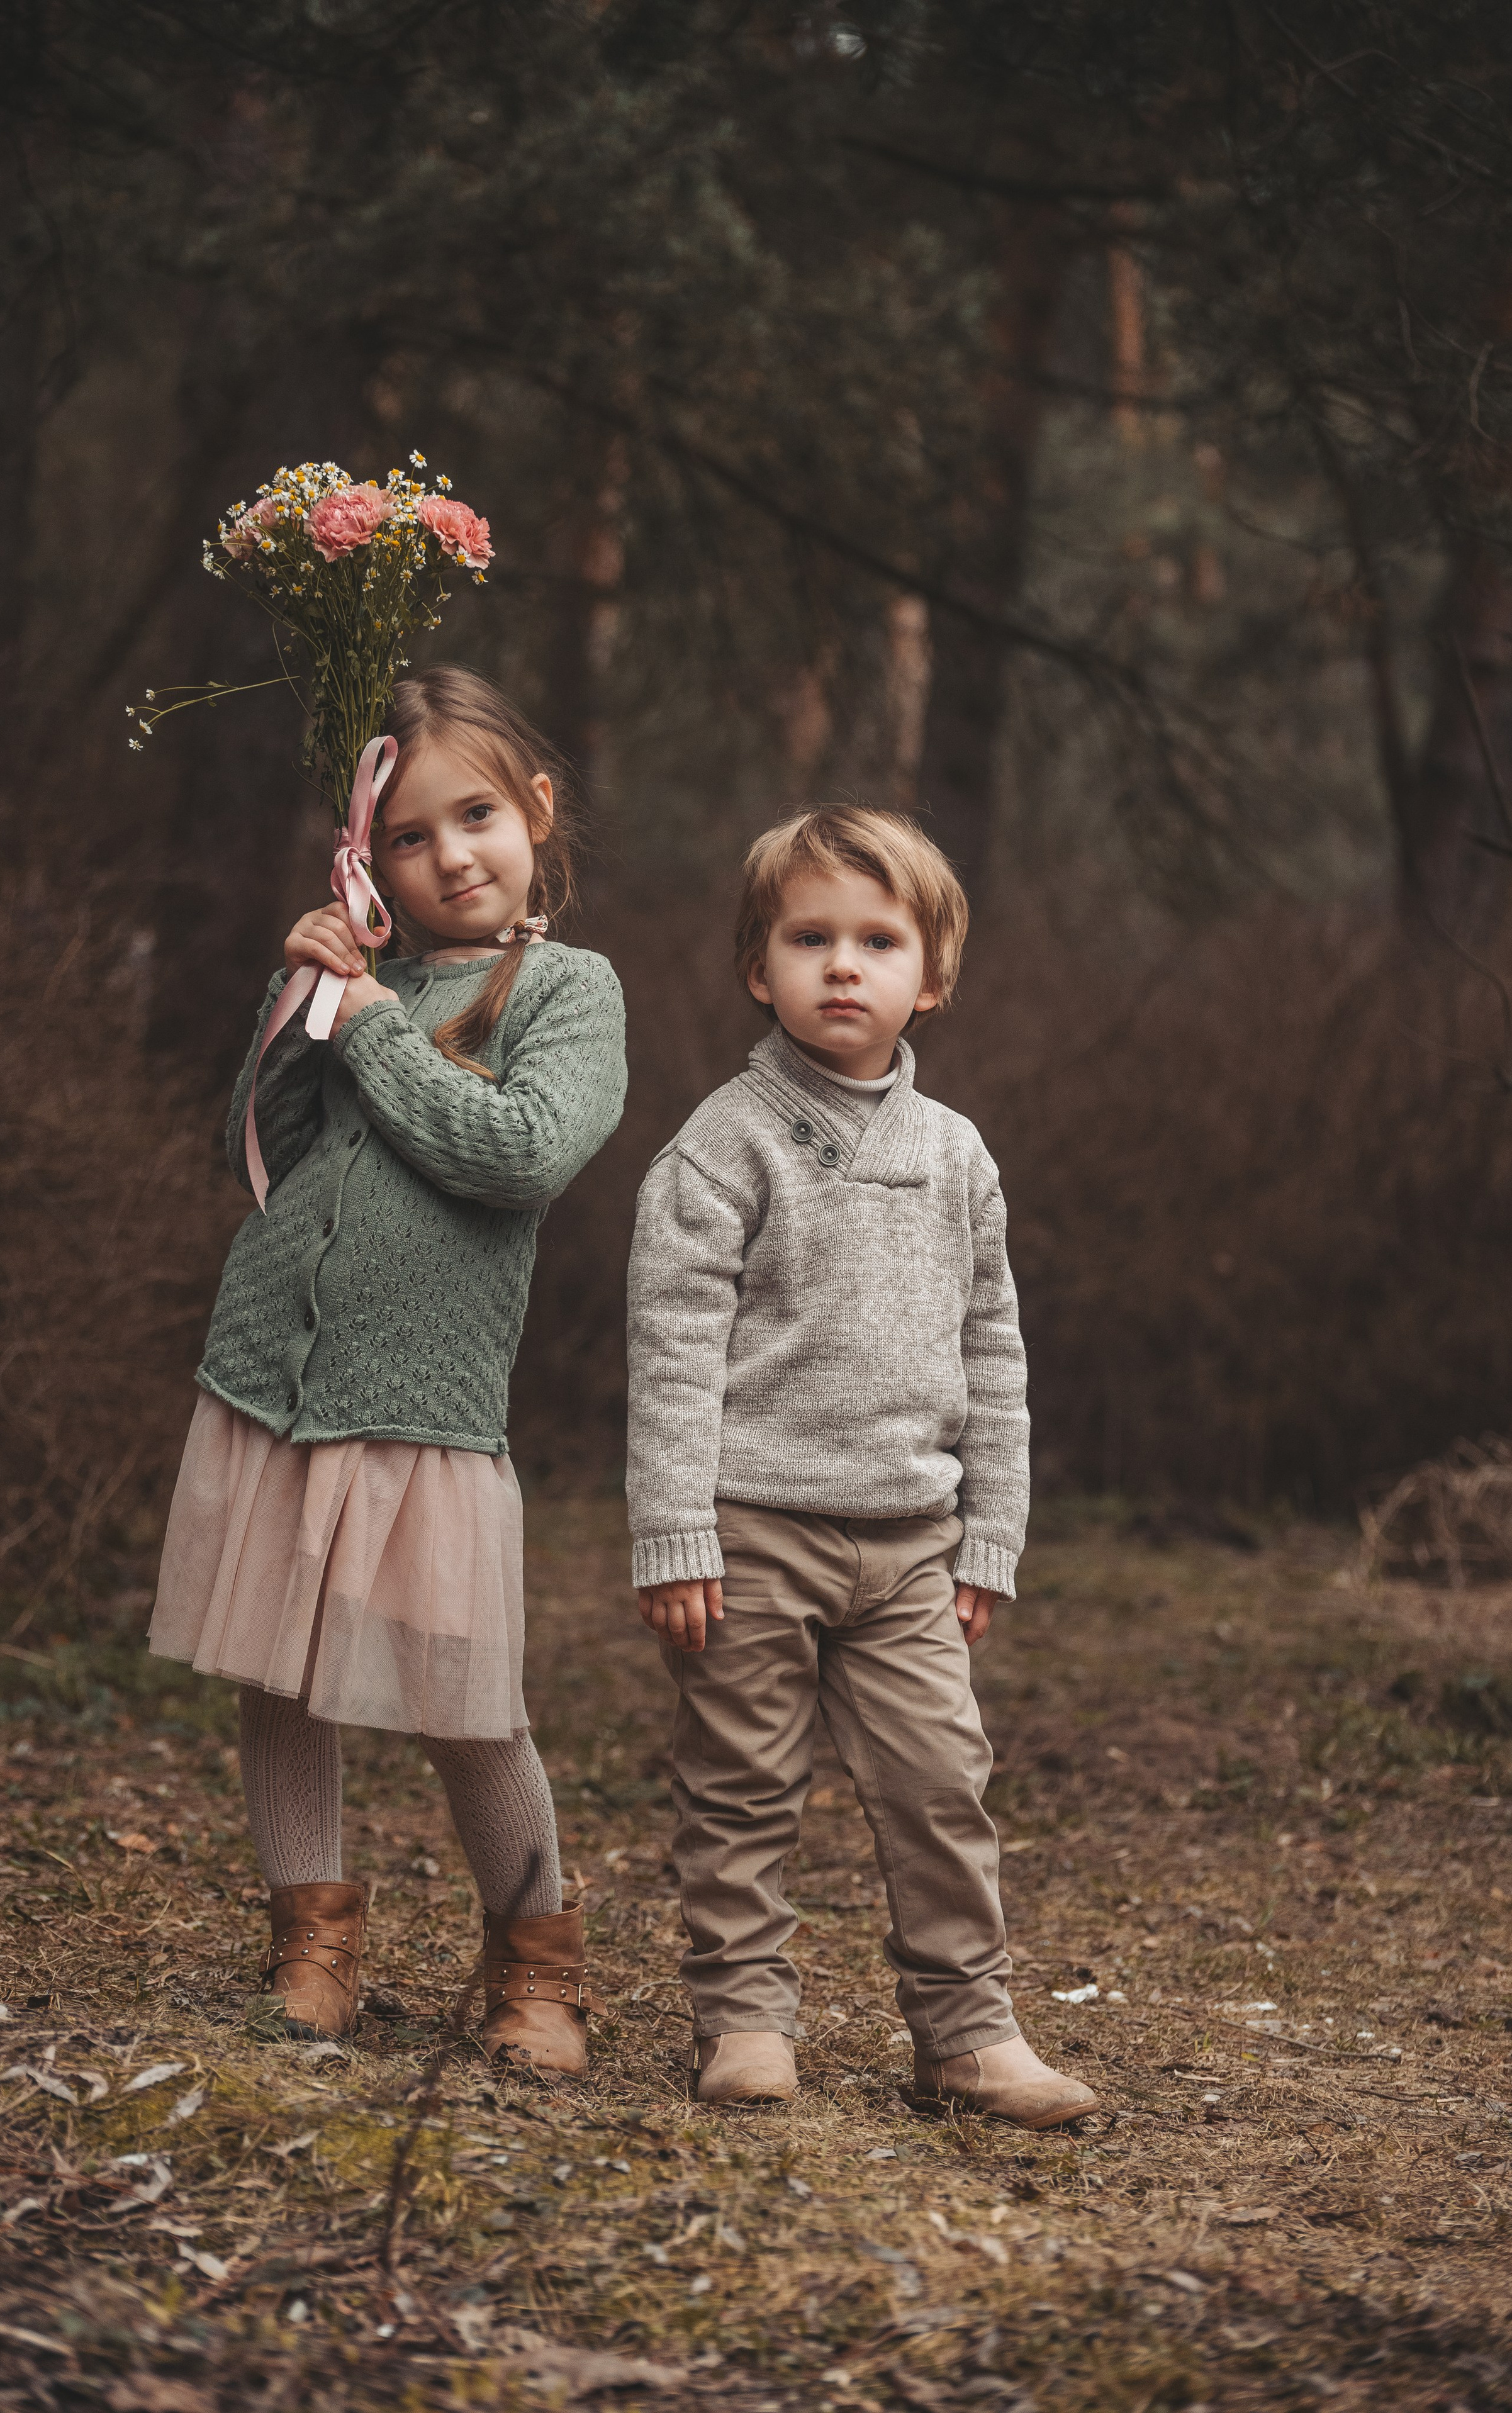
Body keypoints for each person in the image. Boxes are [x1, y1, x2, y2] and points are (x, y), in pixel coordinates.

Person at [150, 667, 626, 2069]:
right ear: (372, 859)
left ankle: (536, 1963)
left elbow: (522, 1152)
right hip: (270, 1379)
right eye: (407, 838)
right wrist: (302, 989)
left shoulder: (568, 989)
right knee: (279, 1679)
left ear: (535, 809)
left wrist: (367, 1026)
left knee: (466, 1702)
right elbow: (280, 1143)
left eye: (473, 814)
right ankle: (315, 1945)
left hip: (422, 1406)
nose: (448, 856)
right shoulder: (367, 978)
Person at [625, 805, 1097, 2126]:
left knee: (940, 1788)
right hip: (748, 1531)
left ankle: (964, 2033)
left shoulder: (955, 1156)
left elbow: (992, 1350)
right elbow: (669, 1349)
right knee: (739, 1790)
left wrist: (988, 1534)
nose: (843, 964)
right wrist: (674, 1532)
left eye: (877, 940)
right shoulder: (723, 1144)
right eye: (808, 937)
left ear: (928, 978)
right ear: (755, 968)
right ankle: (744, 2023)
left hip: (907, 1547)